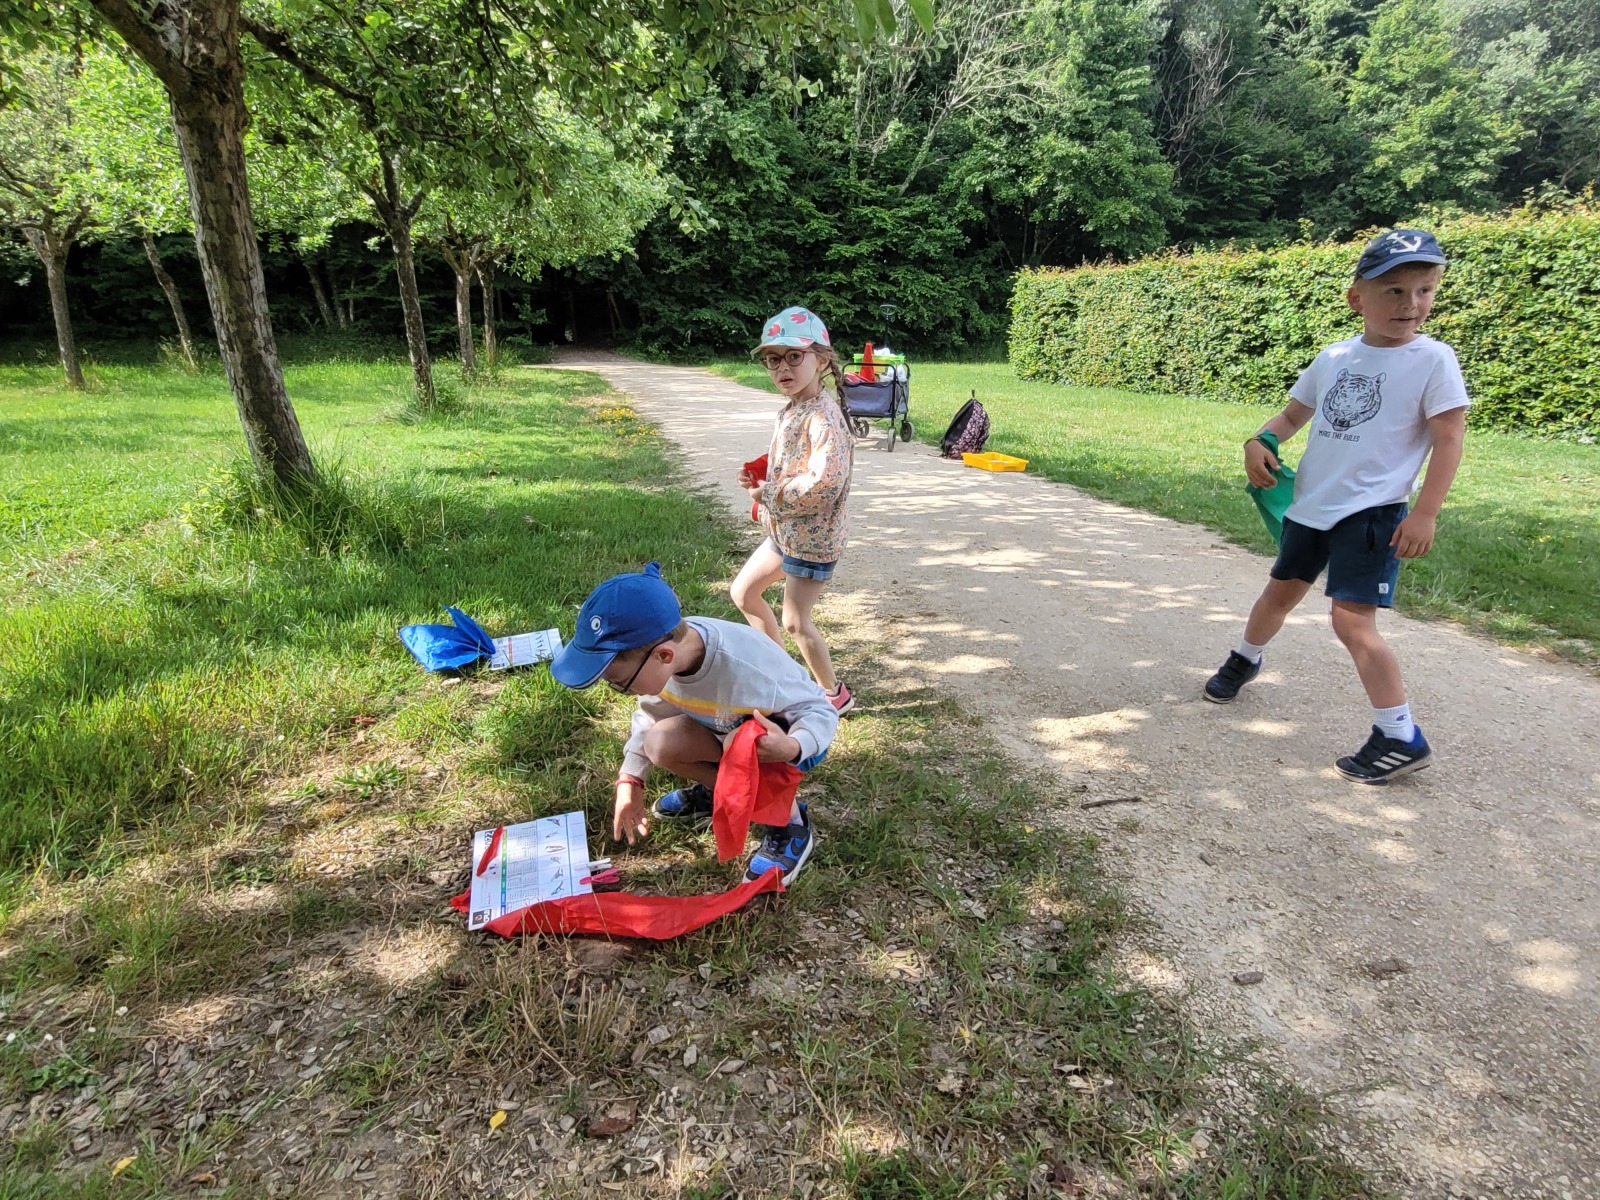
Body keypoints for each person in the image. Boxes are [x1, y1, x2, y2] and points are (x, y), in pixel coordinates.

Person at [1202, 228, 1469, 785]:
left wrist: (1424, 513)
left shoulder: (1433, 360)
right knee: (1278, 594)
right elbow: (1290, 417)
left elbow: (1449, 438)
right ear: (1357, 298)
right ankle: (1246, 658)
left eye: (1424, 290)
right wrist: (1258, 441)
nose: (1411, 304)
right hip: (1312, 507)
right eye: (1394, 291)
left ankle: (1399, 734)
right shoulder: (1335, 357)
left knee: (1351, 621)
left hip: (1372, 513)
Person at [550, 562, 838, 884]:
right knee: (659, 742)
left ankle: (790, 825)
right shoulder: (668, 654)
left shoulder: (749, 671)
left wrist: (793, 746)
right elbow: (651, 714)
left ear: (664, 656)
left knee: (744, 741)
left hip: (781, 743)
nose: (621, 691)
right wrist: (630, 778)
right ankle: (721, 792)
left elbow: (820, 709)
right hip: (724, 729)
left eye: (619, 683)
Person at [731, 306, 857, 715]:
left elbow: (824, 484)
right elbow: (791, 459)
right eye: (773, 359)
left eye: (793, 356)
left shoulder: (823, 418)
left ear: (821, 360)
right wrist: (761, 469)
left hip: (814, 540)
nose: (782, 367)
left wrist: (769, 494)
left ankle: (834, 694)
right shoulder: (793, 408)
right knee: (744, 592)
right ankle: (781, 675)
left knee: (796, 621)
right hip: (786, 532)